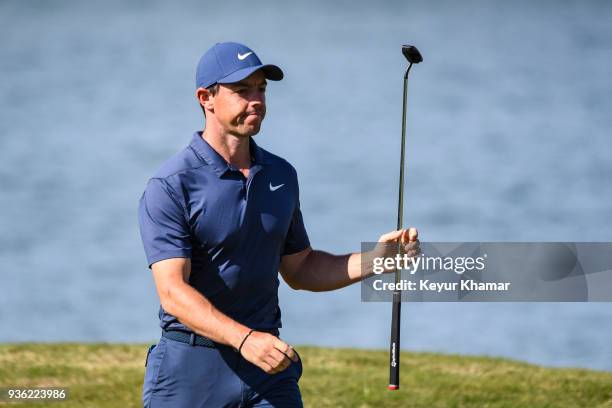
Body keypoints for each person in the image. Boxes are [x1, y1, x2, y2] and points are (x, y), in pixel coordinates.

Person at [138, 41, 419, 408]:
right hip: (191, 367)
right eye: (242, 90)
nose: (256, 100)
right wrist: (244, 339)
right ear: (206, 97)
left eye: (261, 89)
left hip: (266, 370)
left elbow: (301, 268)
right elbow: (173, 292)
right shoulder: (172, 184)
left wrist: (378, 260)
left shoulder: (281, 175)